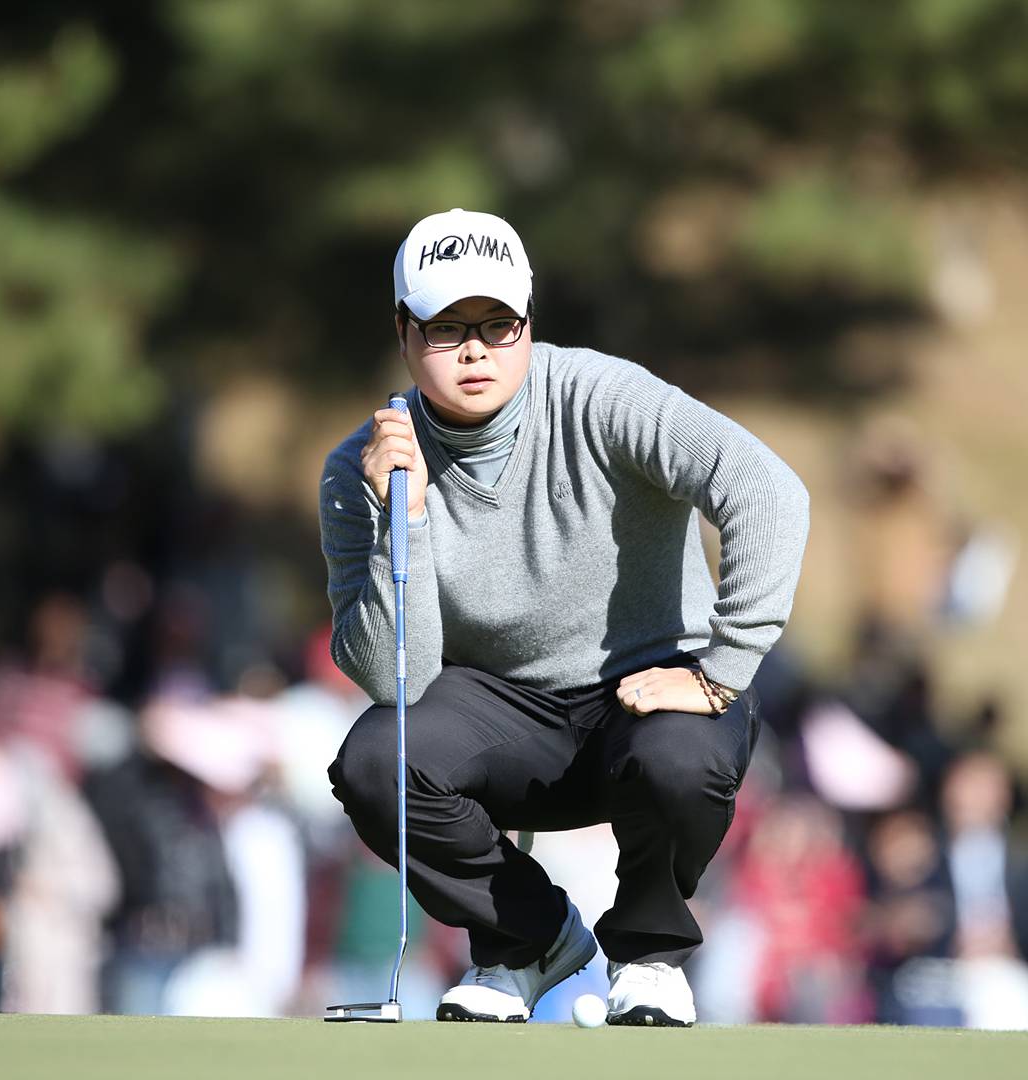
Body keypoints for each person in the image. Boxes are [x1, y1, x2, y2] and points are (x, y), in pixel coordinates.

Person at [320, 208, 809, 1025]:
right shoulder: (361, 471)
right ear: (403, 331)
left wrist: (723, 673)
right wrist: (403, 518)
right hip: (503, 721)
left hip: (649, 693)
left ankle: (648, 956)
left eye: (497, 324)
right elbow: (397, 681)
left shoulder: (601, 395)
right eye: (446, 328)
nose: (475, 350)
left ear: (528, 323)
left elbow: (766, 492)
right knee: (377, 760)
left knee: (682, 757)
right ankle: (528, 942)